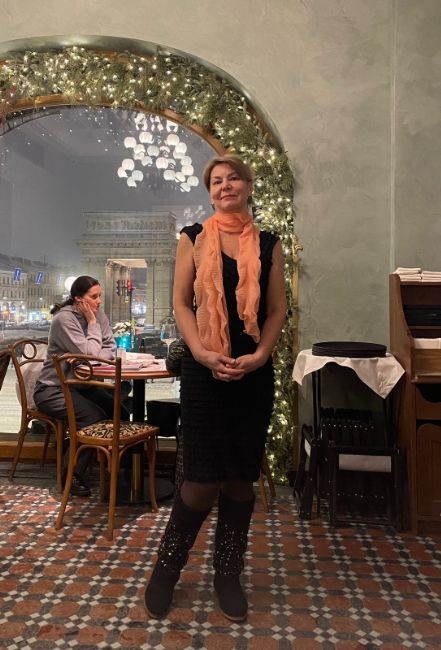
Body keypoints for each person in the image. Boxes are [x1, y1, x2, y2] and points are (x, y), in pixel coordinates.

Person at [145, 155, 287, 621]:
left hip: (252, 371)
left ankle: (228, 573)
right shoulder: (192, 237)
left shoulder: (269, 244)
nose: (225, 186)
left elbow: (276, 310)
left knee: (241, 480)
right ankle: (167, 567)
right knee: (201, 480)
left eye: (233, 179)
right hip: (203, 369)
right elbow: (181, 304)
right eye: (217, 181)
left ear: (247, 186)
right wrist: (202, 353)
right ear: (210, 192)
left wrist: (260, 355)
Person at [34, 275, 126, 497]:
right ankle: (72, 474)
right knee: (92, 416)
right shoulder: (64, 320)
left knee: (119, 409)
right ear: (78, 299)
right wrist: (92, 325)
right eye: (94, 297)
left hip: (80, 386)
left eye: (99, 296)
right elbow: (91, 353)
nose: (99, 301)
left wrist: (91, 354)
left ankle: (122, 468)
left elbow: (110, 348)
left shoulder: (99, 313)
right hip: (52, 390)